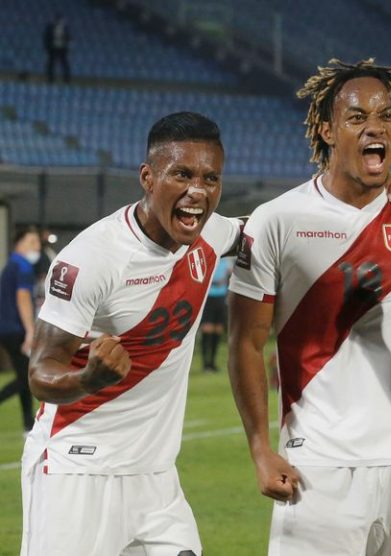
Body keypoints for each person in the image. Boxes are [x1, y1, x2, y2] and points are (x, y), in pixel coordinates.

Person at [228, 58, 391, 555]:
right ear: (326, 130)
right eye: (357, 117)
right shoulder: (278, 220)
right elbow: (245, 343)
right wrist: (259, 449)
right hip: (320, 468)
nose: (375, 127)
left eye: (387, 116)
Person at [21, 111, 242, 556]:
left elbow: (273, 228)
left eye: (210, 178)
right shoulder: (91, 259)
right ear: (148, 177)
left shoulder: (211, 234)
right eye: (182, 174)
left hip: (156, 479)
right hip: (78, 471)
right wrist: (87, 379)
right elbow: (41, 373)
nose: (198, 191)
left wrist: (366, 199)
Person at [0, 227, 42, 433]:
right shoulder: (22, 266)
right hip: (17, 329)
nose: (38, 247)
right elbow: (22, 297)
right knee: (26, 378)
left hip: (7, 328)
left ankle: (28, 424)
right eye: (32, 241)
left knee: (24, 376)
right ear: (20, 243)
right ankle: (28, 424)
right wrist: (30, 330)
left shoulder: (10, 265)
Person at [200, 256, 233, 372]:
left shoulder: (227, 261)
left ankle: (213, 363)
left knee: (218, 329)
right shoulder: (209, 257)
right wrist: (214, 282)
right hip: (208, 297)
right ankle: (205, 364)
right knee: (207, 329)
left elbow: (231, 275)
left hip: (221, 298)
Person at [43, 14, 71, 83]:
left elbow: (68, 37)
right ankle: (50, 78)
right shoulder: (50, 27)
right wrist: (48, 47)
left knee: (64, 63)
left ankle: (66, 79)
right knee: (51, 64)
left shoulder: (65, 28)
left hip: (62, 48)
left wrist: (67, 44)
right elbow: (46, 37)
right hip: (53, 48)